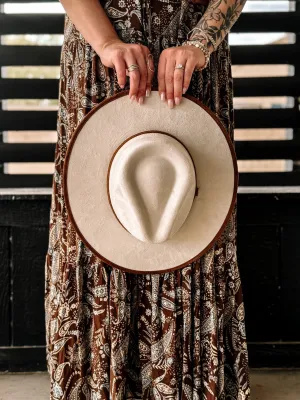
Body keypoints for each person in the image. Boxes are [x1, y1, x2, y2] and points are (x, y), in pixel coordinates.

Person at [44, 0, 251, 398]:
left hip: (192, 65)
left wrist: (201, 42)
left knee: (192, 220)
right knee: (97, 212)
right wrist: (104, 41)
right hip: (100, 57)